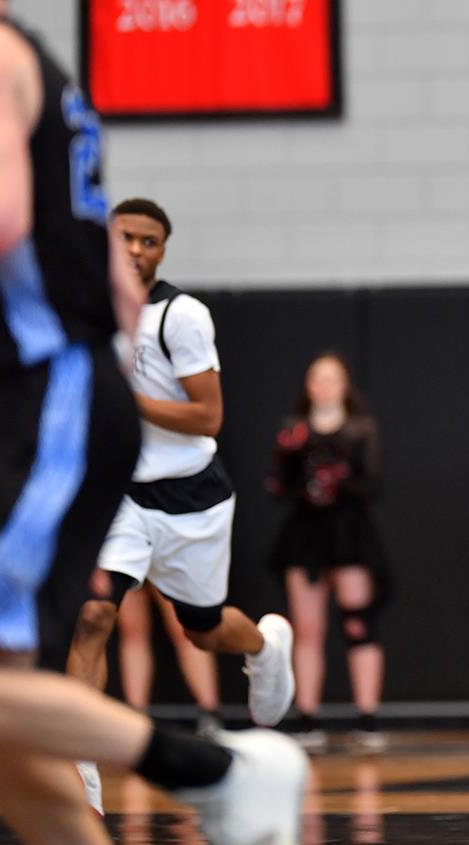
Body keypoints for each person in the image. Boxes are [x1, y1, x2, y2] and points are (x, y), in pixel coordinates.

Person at [0, 4, 306, 845]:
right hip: (44, 406)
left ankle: (222, 772)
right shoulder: (40, 73)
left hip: (53, 407)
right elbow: (109, 282)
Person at [65, 197, 296, 811]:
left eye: (150, 241)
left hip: (190, 495)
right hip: (119, 492)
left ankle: (263, 647)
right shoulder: (83, 306)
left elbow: (207, 416)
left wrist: (127, 400)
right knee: (94, 614)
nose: (136, 249)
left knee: (204, 631)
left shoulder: (180, 316)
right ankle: (80, 759)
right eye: (126, 237)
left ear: (162, 251)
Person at [267, 352, 390, 751]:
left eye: (331, 379)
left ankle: (367, 718)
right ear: (308, 386)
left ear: (344, 386)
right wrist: (288, 459)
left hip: (349, 534)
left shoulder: (360, 428)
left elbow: (373, 485)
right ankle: (307, 717)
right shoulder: (294, 429)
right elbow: (277, 487)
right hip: (306, 537)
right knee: (307, 628)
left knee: (358, 623)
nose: (324, 387)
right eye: (316, 379)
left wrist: (340, 476)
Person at [115, 580, 223, 735]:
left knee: (185, 629)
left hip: (165, 565)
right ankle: (135, 718)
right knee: (132, 631)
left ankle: (210, 714)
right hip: (128, 565)